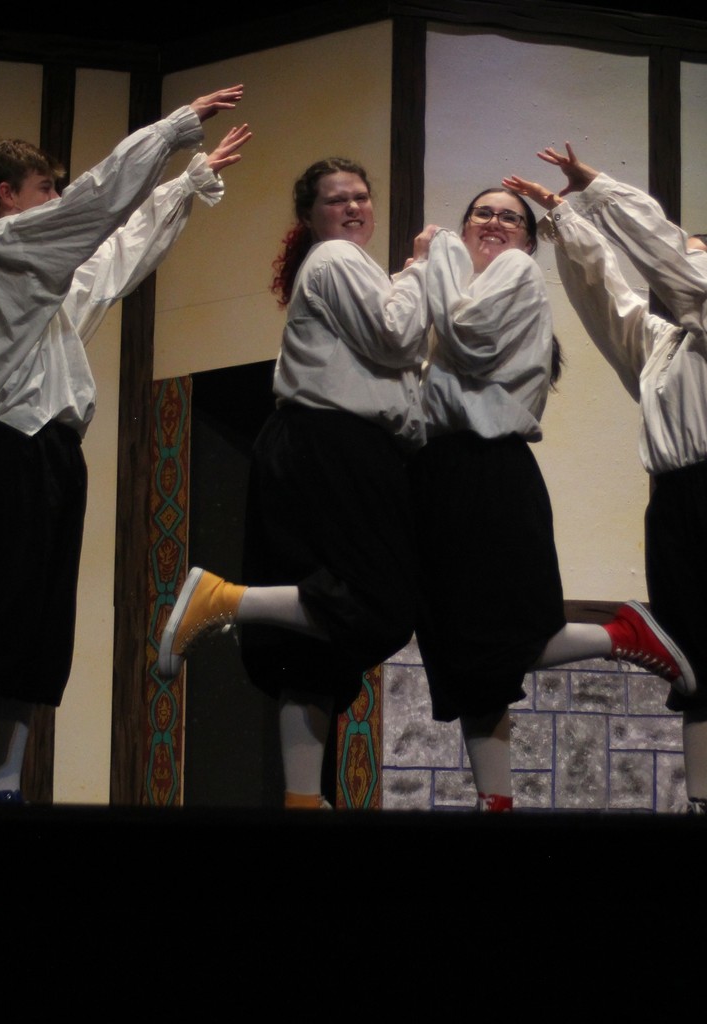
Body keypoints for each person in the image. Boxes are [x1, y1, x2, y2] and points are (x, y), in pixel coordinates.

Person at [0, 86, 252, 804]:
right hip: (13, 451)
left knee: (41, 627)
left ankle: (3, 784)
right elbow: (94, 204)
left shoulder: (46, 278)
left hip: (56, 455)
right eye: (43, 189)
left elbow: (115, 256)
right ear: (7, 195)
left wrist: (186, 181)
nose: (56, 199)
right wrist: (174, 130)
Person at [503, 143, 707, 814]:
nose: (664, 270)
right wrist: (565, 218)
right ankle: (700, 805)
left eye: (686, 257)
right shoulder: (659, 349)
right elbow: (605, 292)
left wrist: (599, 188)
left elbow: (666, 258)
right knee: (694, 658)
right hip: (674, 504)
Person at [159, 157, 436, 809]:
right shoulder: (335, 261)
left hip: (316, 444)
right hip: (330, 444)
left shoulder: (352, 271)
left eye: (360, 196)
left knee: (313, 655)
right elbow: (399, 337)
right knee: (381, 603)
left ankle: (303, 800)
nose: (353, 207)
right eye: (336, 200)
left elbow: (387, 342)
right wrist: (422, 267)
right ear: (309, 217)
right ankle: (224, 600)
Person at [409, 187, 696, 812]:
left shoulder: (509, 272)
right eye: (481, 212)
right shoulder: (455, 282)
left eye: (509, 217)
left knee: (492, 638)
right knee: (463, 648)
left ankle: (624, 630)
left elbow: (466, 333)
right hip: (442, 472)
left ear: (528, 240)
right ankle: (497, 800)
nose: (493, 223)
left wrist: (436, 259)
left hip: (487, 472)